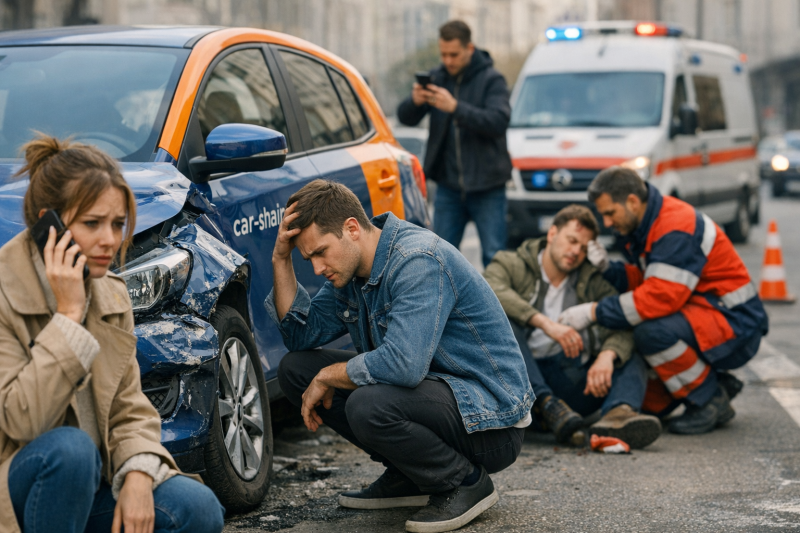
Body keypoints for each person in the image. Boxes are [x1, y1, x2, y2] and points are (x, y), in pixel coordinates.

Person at [268, 180, 532, 533]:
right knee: (296, 370)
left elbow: (404, 365)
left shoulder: (416, 260)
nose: (317, 268)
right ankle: (411, 473)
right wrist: (280, 258)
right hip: (437, 400)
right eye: (309, 258)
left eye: (321, 252)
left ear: (351, 229)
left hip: (489, 423)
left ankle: (464, 482)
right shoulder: (352, 272)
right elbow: (299, 336)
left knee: (367, 404)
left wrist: (330, 375)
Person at [0, 135, 224, 533]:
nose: (110, 240)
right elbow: (19, 421)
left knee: (197, 508)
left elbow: (129, 408)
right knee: (71, 452)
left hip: (89, 484)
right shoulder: (5, 290)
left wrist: (138, 470)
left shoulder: (109, 292)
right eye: (92, 223)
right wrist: (68, 317)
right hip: (16, 490)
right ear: (48, 224)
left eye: (118, 224)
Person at [559, 167, 769, 435]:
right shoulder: (652, 222)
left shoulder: (675, 227)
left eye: (610, 213)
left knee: (650, 333)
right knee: (654, 403)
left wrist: (594, 312)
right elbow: (651, 280)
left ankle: (710, 398)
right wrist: (610, 270)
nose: (607, 223)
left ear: (632, 202)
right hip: (714, 313)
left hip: (735, 323)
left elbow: (659, 297)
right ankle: (714, 384)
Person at [484, 205, 661, 449]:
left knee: (627, 352)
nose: (576, 251)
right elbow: (489, 289)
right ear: (552, 234)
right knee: (503, 324)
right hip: (516, 383)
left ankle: (618, 417)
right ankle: (546, 405)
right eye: (572, 240)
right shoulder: (512, 262)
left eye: (584, 247)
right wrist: (546, 324)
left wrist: (607, 356)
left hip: (567, 381)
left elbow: (620, 323)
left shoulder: (591, 278)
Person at [396, 20, 512, 267]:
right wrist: (415, 101)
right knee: (439, 258)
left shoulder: (492, 79)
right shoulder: (437, 78)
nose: (448, 61)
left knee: (495, 258)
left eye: (454, 54)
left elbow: (499, 121)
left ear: (469, 48)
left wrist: (456, 108)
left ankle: (495, 296)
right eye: (444, 54)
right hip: (448, 187)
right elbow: (405, 118)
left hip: (488, 185)